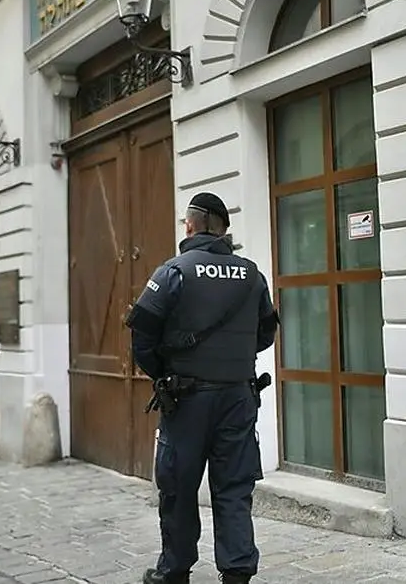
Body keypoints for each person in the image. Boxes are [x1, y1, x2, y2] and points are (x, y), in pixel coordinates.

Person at [125, 192, 280, 584]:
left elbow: (142, 337)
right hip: (238, 398)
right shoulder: (251, 274)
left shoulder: (173, 272)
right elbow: (265, 334)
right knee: (233, 489)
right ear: (224, 229)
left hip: (186, 400)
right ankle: (237, 572)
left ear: (190, 226)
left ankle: (174, 570)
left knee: (178, 488)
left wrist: (165, 374)